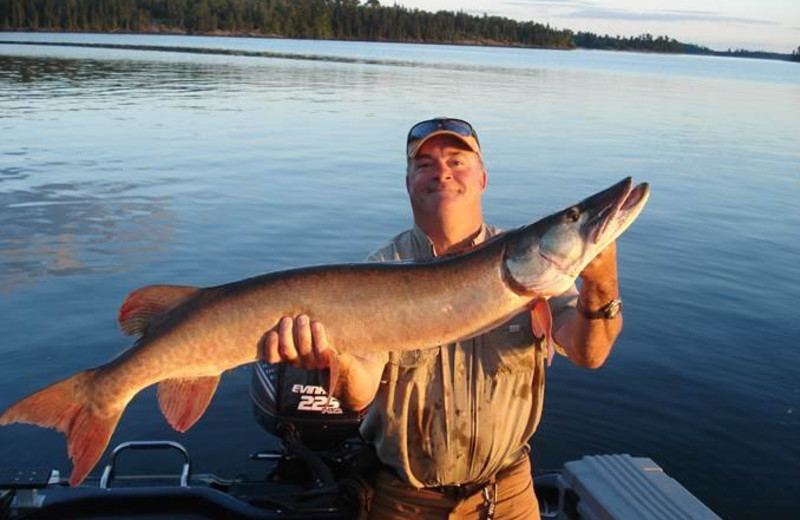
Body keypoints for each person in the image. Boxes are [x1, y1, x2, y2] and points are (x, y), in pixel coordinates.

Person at [263, 117, 623, 519]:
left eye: (457, 160)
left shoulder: (533, 264)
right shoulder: (380, 269)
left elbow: (588, 352)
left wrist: (602, 284)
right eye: (425, 164)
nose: (442, 172)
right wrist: (332, 360)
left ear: (482, 178)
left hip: (508, 499)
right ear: (408, 183)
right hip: (405, 504)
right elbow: (360, 392)